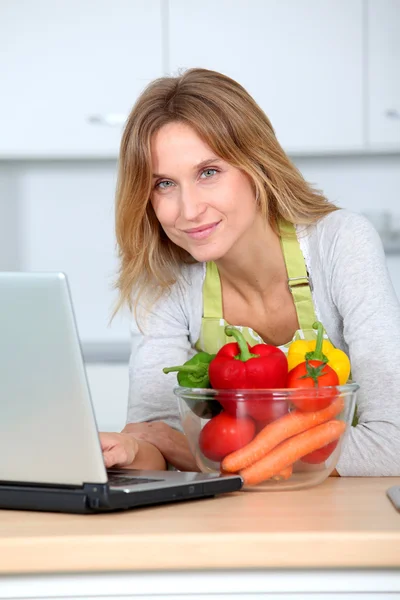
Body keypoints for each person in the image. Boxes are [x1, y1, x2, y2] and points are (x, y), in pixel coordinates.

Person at [100, 68, 400, 477]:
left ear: (256, 164)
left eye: (209, 172)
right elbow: (158, 439)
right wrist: (132, 451)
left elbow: (392, 443)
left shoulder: (341, 243)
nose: (188, 211)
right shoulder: (164, 276)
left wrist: (213, 456)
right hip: (226, 523)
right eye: (164, 184)